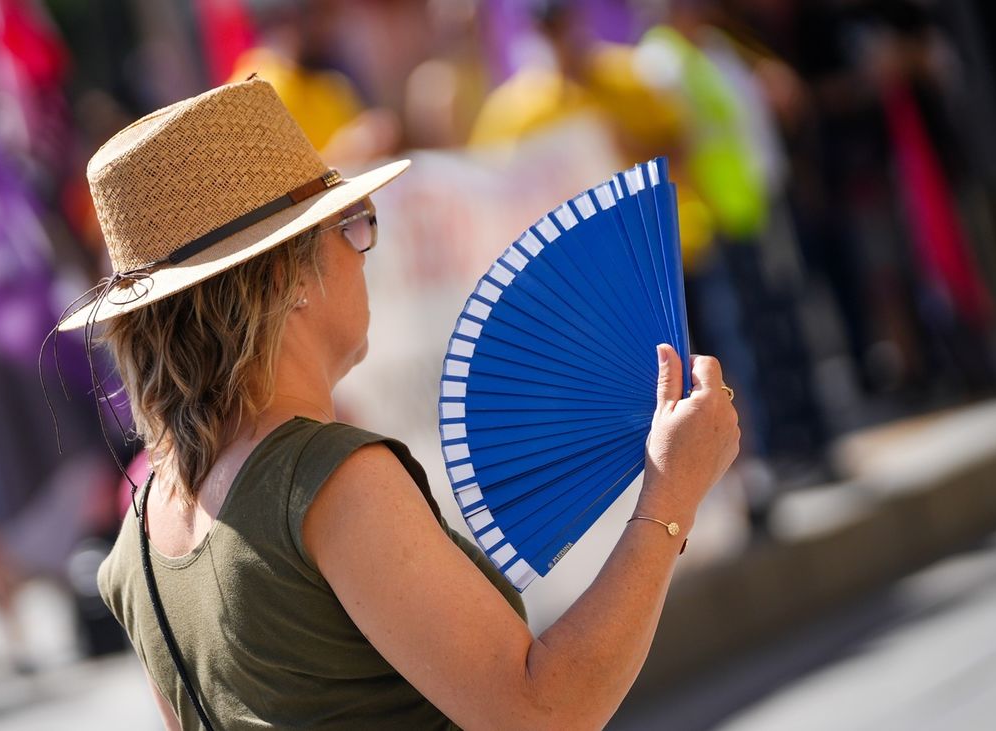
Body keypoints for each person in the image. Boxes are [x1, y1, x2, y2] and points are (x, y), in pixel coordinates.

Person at [66, 79, 740, 729]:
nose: (366, 255)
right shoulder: (331, 481)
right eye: (351, 227)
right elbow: (543, 713)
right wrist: (669, 496)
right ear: (287, 274)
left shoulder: (141, 539)